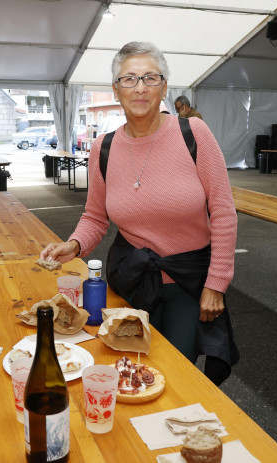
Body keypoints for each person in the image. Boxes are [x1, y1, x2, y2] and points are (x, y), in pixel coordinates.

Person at [39, 41, 238, 385]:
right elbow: (95, 217)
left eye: (150, 78)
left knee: (174, 375)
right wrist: (73, 246)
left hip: (187, 281)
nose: (140, 88)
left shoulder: (194, 134)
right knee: (126, 371)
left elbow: (223, 212)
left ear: (164, 87)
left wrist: (216, 284)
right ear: (116, 90)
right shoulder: (104, 147)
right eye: (129, 79)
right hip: (130, 279)